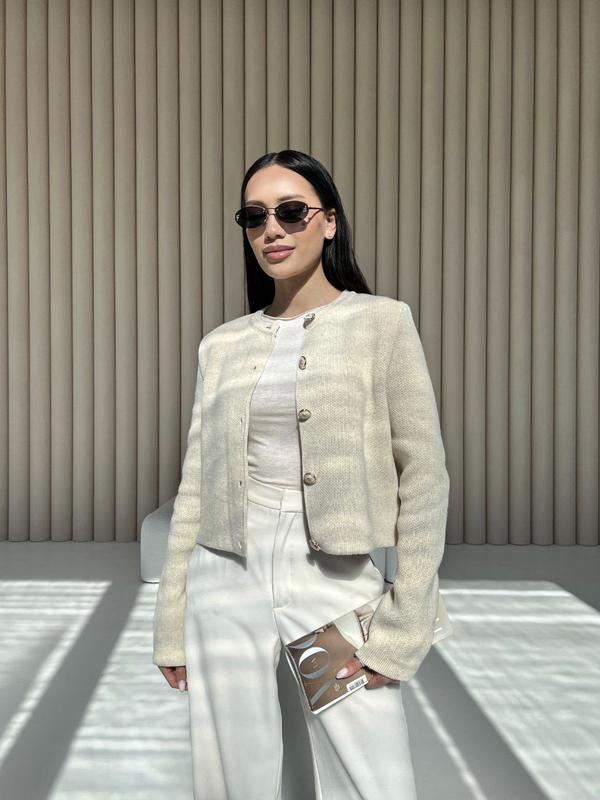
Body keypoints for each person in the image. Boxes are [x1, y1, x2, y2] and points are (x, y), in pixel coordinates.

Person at [152, 149, 452, 799]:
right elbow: (196, 487)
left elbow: (425, 476)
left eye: (291, 212)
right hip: (225, 571)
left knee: (373, 776)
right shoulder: (222, 345)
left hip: (331, 574)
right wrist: (171, 620)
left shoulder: (381, 324)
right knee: (232, 777)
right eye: (254, 217)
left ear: (330, 222)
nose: (272, 230)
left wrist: (405, 626)